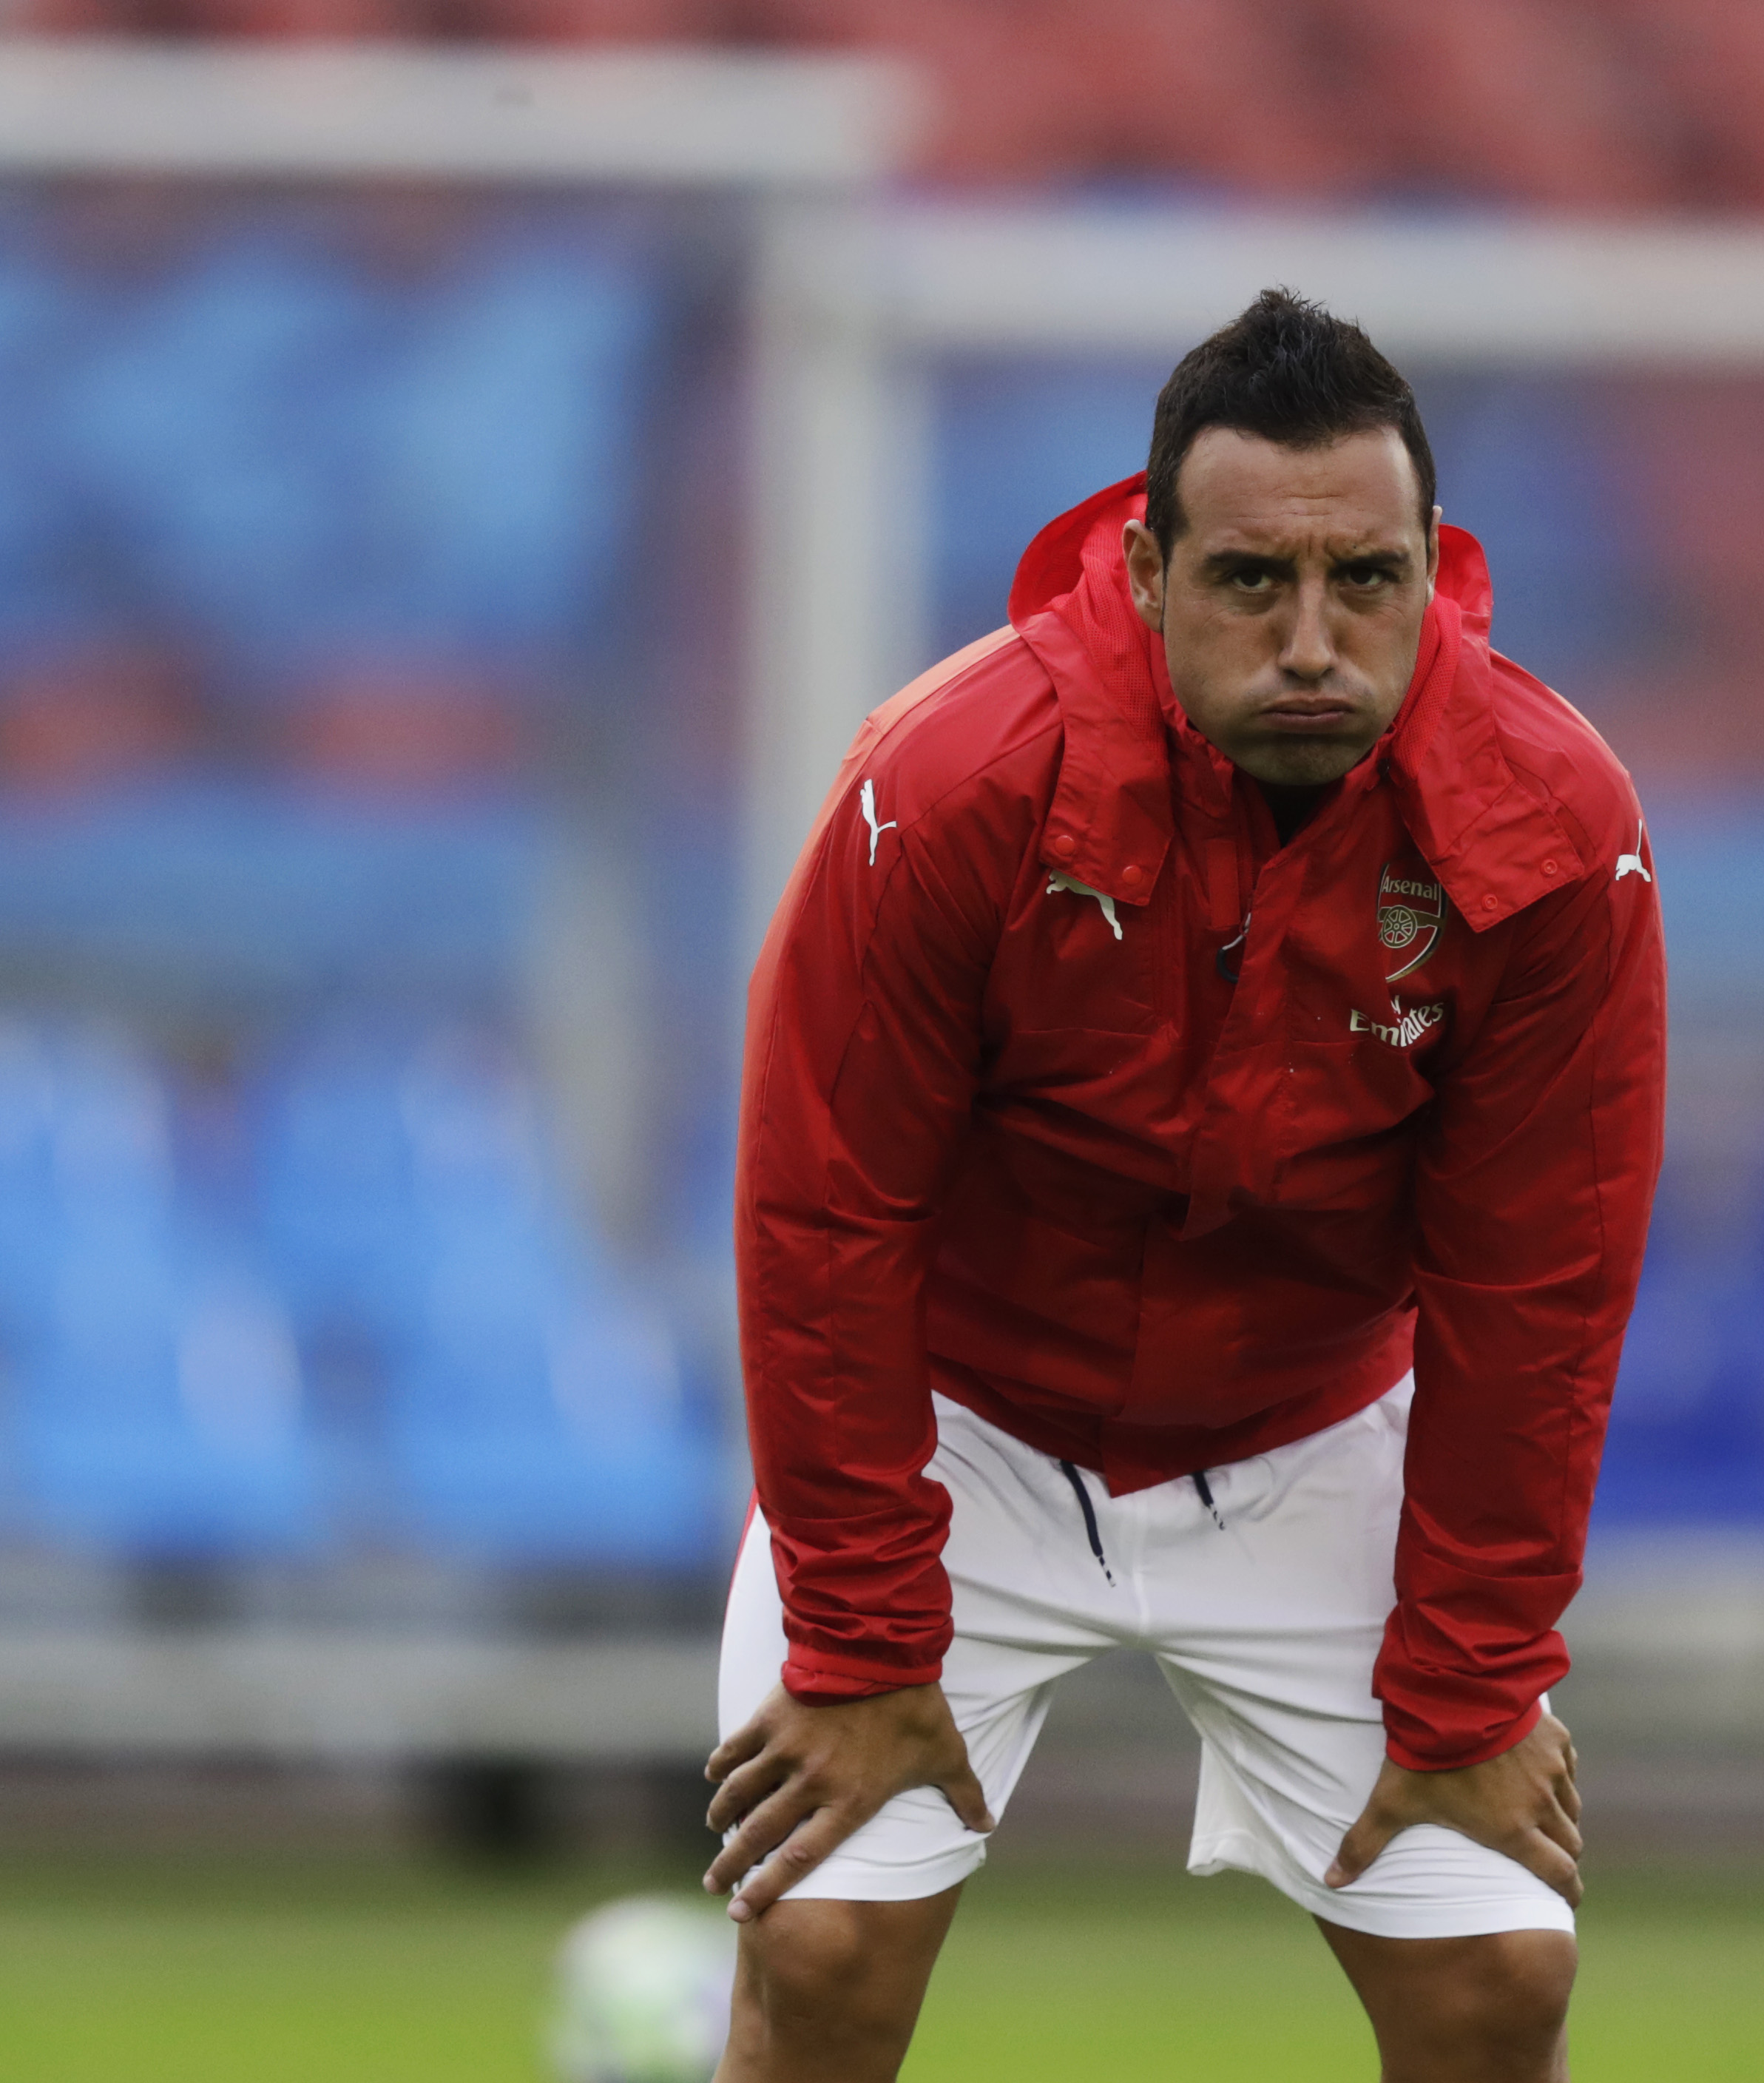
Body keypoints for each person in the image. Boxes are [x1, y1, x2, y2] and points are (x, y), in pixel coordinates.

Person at [706, 289, 1664, 2083]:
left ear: (1426, 572)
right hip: (963, 1419)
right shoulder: (956, 778)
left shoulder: (1555, 823)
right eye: (1250, 582)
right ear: (1147, 575)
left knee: (1501, 1986)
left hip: (1312, 1432)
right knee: (821, 1944)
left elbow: (1540, 1286)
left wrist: (1470, 1685)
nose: (1314, 637)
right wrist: (860, 1630)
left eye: (1363, 581)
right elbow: (824, 1215)